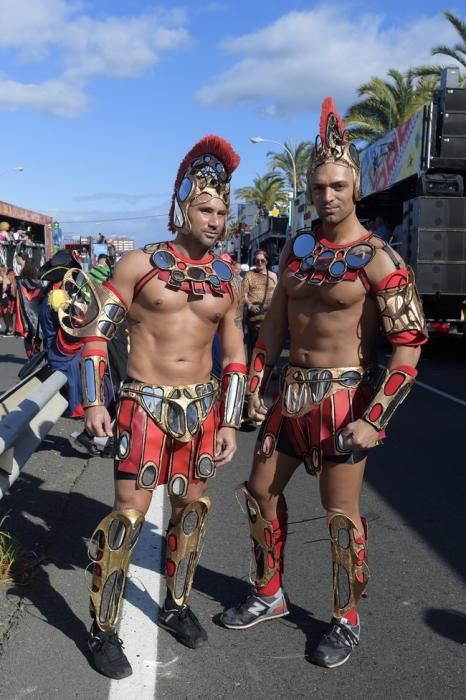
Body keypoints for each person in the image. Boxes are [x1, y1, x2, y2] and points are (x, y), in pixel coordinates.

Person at [221, 98, 428, 669]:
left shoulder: (379, 259)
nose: (327, 196)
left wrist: (374, 419)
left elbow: (409, 343)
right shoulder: (295, 250)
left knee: (341, 515)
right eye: (318, 187)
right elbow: (271, 334)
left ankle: (346, 617)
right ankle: (270, 593)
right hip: (290, 394)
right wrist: (256, 392)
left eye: (337, 185)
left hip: (344, 397)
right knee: (259, 490)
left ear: (354, 187)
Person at [59, 135, 246, 679]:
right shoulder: (136, 265)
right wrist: (95, 399)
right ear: (182, 205)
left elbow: (235, 354)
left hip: (204, 412)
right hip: (142, 407)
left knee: (190, 517)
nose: (214, 220)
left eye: (221, 211)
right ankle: (104, 630)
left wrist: (231, 420)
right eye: (205, 208)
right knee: (128, 519)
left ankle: (177, 606)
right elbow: (96, 337)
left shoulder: (227, 277)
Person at [243, 249, 277, 362]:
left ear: (267, 261)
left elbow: (277, 295)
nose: (259, 263)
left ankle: (268, 366)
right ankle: (252, 368)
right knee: (253, 346)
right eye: (257, 260)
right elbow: (243, 294)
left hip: (269, 317)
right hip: (254, 317)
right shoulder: (249, 275)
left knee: (268, 344)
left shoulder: (273, 276)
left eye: (262, 260)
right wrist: (250, 306)